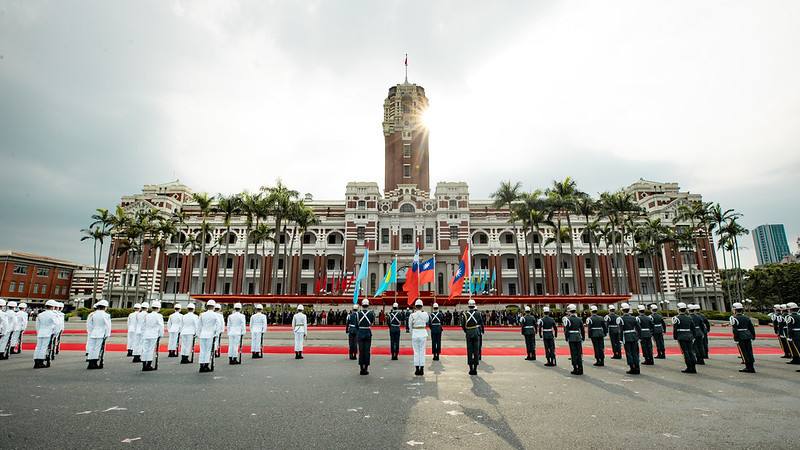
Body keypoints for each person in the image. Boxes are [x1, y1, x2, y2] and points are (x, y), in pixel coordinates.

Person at [730, 302, 756, 373]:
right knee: (749, 351)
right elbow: (751, 328)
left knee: (744, 352)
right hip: (748, 335)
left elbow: (735, 330)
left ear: (735, 310)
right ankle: (751, 366)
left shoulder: (734, 319)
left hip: (741, 336)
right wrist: (753, 336)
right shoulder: (746, 317)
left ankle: (748, 367)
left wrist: (736, 339)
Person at [86, 300, 112, 370]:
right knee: (98, 348)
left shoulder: (92, 314)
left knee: (91, 347)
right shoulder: (106, 315)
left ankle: (90, 363)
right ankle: (95, 363)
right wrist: (107, 334)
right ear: (105, 307)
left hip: (93, 332)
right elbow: (108, 326)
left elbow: (89, 325)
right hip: (101, 333)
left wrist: (91, 332)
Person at [672, 302, 697, 374]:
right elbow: (693, 328)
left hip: (681, 337)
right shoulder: (689, 318)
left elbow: (675, 328)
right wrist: (693, 336)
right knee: (691, 352)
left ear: (678, 309)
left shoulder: (676, 318)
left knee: (685, 352)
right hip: (689, 336)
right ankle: (693, 367)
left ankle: (689, 367)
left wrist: (675, 337)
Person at [197, 300, 221, 373]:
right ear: (213, 307)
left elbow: (199, 326)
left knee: (202, 350)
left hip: (203, 334)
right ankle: (206, 365)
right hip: (210, 335)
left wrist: (199, 334)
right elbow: (218, 325)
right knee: (208, 351)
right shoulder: (215, 315)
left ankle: (201, 365)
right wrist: (216, 334)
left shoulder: (202, 314)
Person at [33, 300, 59, 368]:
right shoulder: (53, 314)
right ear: (53, 307)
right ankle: (41, 362)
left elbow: (37, 325)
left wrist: (38, 331)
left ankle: (36, 361)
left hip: (40, 332)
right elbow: (57, 325)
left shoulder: (40, 314)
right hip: (48, 332)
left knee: (38, 347)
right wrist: (55, 333)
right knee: (44, 347)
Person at [617, 303, 641, 375]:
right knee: (635, 352)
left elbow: (620, 330)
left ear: (622, 310)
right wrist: (639, 336)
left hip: (626, 336)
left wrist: (620, 339)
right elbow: (638, 328)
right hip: (634, 336)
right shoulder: (634, 318)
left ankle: (632, 367)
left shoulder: (621, 319)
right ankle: (637, 367)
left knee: (629, 352)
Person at [141, 301, 165, 372]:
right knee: (150, 350)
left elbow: (143, 325)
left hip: (146, 334)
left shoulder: (147, 315)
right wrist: (161, 334)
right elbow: (161, 326)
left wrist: (143, 333)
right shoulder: (159, 316)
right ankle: (148, 365)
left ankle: (144, 365)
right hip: (153, 334)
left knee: (145, 349)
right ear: (158, 308)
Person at [409, 299, 430, 376]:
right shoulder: (425, 314)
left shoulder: (412, 315)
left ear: (415, 306)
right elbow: (427, 321)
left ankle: (417, 369)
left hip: (415, 333)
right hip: (423, 333)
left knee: (416, 352)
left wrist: (413, 333)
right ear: (422, 306)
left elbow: (410, 326)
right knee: (422, 351)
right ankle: (422, 369)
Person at [461, 299, 483, 375]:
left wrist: (467, 331)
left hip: (469, 333)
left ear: (468, 305)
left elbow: (463, 325)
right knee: (476, 350)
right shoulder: (478, 313)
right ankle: (475, 369)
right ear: (474, 305)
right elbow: (480, 323)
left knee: (469, 350)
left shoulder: (465, 314)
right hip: (476, 332)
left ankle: (471, 369)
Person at [562, 304, 584, 375]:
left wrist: (566, 337)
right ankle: (580, 368)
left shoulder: (568, 319)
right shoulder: (579, 319)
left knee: (573, 353)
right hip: (578, 337)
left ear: (569, 311)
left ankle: (575, 368)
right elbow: (582, 330)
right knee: (579, 353)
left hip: (571, 337)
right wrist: (583, 337)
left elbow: (566, 330)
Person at [356, 299, 375, 375]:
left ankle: (361, 368)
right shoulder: (371, 314)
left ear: (362, 305)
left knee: (361, 351)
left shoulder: (358, 314)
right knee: (367, 351)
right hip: (367, 332)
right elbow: (372, 323)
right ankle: (366, 368)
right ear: (368, 305)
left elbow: (357, 324)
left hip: (360, 332)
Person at [785, 302, 800, 366]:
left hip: (795, 334)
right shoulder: (799, 315)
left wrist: (789, 336)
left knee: (796, 348)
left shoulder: (790, 317)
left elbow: (790, 328)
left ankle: (797, 360)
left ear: (790, 309)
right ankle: (795, 359)